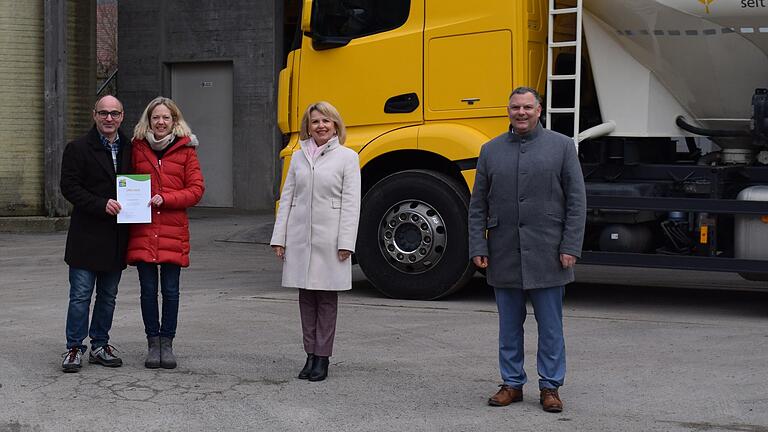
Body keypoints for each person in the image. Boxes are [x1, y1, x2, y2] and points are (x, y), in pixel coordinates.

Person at [468, 87, 586, 413]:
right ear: (508, 110)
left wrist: (570, 246)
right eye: (515, 107)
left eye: (527, 107)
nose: (521, 113)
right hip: (503, 253)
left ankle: (550, 387)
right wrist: (478, 244)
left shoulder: (562, 147)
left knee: (551, 328)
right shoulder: (490, 151)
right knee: (508, 328)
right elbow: (477, 205)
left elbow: (577, 203)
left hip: (549, 253)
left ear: (539, 110)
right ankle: (511, 383)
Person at [270, 101, 361, 382]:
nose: (320, 126)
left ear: (335, 125)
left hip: (330, 240)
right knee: (306, 299)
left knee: (326, 300)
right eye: (315, 122)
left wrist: (346, 241)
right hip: (300, 238)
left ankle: (323, 357)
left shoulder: (347, 157)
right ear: (307, 127)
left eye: (326, 121)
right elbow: (287, 198)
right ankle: (309, 354)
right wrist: (279, 236)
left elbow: (351, 203)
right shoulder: (297, 157)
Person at [126, 96, 205, 369]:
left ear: (175, 121)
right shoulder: (135, 148)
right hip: (143, 231)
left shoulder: (186, 151)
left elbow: (196, 190)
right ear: (148, 120)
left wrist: (166, 198)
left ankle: (167, 343)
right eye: (155, 117)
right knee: (148, 291)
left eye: (166, 117)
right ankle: (152, 343)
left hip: (173, 232)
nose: (160, 122)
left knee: (171, 291)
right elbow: (124, 183)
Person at [60, 95, 132, 372]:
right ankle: (74, 347)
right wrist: (101, 204)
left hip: (116, 237)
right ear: (94, 115)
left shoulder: (131, 148)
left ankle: (100, 344)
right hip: (86, 236)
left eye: (114, 113)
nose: (109, 118)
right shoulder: (77, 148)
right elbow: (69, 187)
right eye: (103, 113)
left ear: (122, 116)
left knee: (108, 295)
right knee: (80, 295)